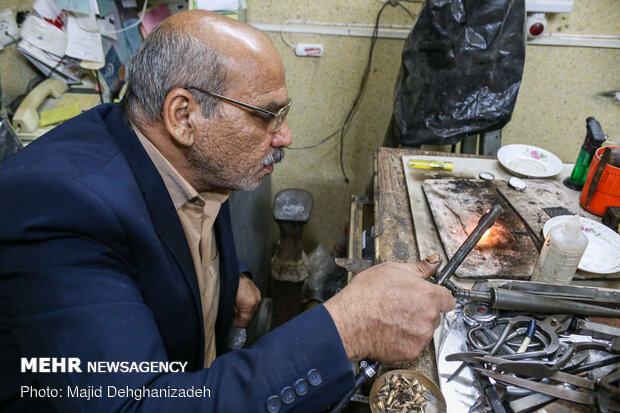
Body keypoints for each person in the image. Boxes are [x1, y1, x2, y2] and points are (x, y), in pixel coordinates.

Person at [0, 10, 455, 413]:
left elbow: (173, 212)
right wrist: (348, 328)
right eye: (266, 115)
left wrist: (225, 271)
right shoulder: (61, 211)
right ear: (183, 115)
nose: (285, 135)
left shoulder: (184, 153)